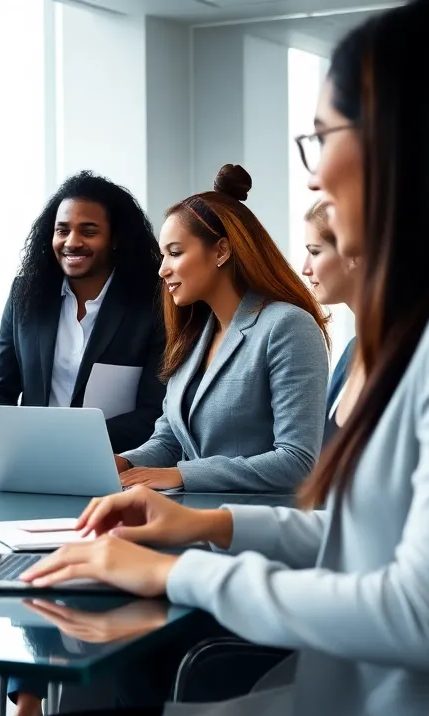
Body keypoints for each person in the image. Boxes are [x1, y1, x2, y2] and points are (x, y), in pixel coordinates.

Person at [0, 2, 429, 716]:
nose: (318, 172)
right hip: (343, 714)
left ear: (404, 140)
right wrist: (197, 525)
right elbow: (365, 540)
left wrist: (178, 570)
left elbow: (426, 612)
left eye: (323, 138)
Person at [115, 164, 330, 493]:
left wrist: (184, 475)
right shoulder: (193, 336)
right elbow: (170, 442)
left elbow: (297, 461)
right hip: (186, 518)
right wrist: (123, 462)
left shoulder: (287, 327)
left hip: (254, 526)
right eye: (163, 256)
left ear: (221, 250)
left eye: (175, 253)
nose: (162, 270)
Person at [0, 171, 165, 461]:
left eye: (88, 231)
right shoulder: (26, 295)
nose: (71, 242)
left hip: (113, 465)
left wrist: (60, 439)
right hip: (29, 463)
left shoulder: (153, 304)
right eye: (62, 230)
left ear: (115, 238)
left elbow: (155, 412)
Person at [299, 199, 362, 446]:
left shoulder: (405, 350)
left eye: (314, 252)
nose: (305, 268)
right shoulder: (351, 352)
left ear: (353, 253)